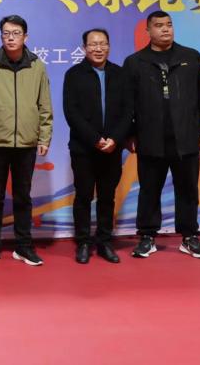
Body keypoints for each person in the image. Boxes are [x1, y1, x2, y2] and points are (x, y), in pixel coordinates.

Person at [123, 10, 200, 260]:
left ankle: (189, 236)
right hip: (150, 139)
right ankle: (147, 237)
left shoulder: (191, 57)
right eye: (159, 25)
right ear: (148, 31)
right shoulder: (135, 62)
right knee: (149, 190)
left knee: (187, 190)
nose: (165, 29)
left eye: (169, 24)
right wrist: (129, 134)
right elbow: (126, 104)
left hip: (185, 138)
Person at [0, 14, 53, 268]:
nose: (10, 38)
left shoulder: (37, 66)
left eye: (16, 33)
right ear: (1, 37)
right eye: (6, 33)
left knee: (23, 197)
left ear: (25, 37)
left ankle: (24, 246)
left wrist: (44, 136)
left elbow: (45, 105)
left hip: (27, 143)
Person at [62, 28, 132, 264]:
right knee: (83, 196)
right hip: (83, 149)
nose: (98, 48)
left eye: (103, 44)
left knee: (107, 197)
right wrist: (94, 139)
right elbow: (71, 112)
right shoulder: (74, 75)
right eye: (93, 44)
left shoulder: (120, 74)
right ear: (84, 48)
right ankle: (83, 242)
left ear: (109, 47)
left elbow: (128, 111)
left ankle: (104, 241)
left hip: (112, 148)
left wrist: (115, 139)